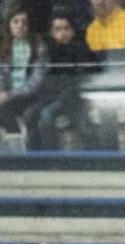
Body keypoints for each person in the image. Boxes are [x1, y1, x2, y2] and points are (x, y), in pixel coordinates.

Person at [25, 11, 100, 150]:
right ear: (51, 33)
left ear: (73, 31)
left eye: (66, 29)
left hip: (71, 96)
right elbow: (38, 76)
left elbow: (88, 75)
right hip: (49, 97)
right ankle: (34, 158)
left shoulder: (83, 49)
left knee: (47, 116)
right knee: (29, 115)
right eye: (58, 30)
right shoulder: (46, 52)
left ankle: (52, 158)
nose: (63, 33)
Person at [0, 4, 49, 144]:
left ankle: (17, 155)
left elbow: (36, 82)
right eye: (15, 21)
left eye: (24, 23)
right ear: (9, 24)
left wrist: (7, 95)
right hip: (8, 96)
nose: (19, 26)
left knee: (3, 109)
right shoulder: (4, 46)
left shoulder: (39, 47)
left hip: (30, 97)